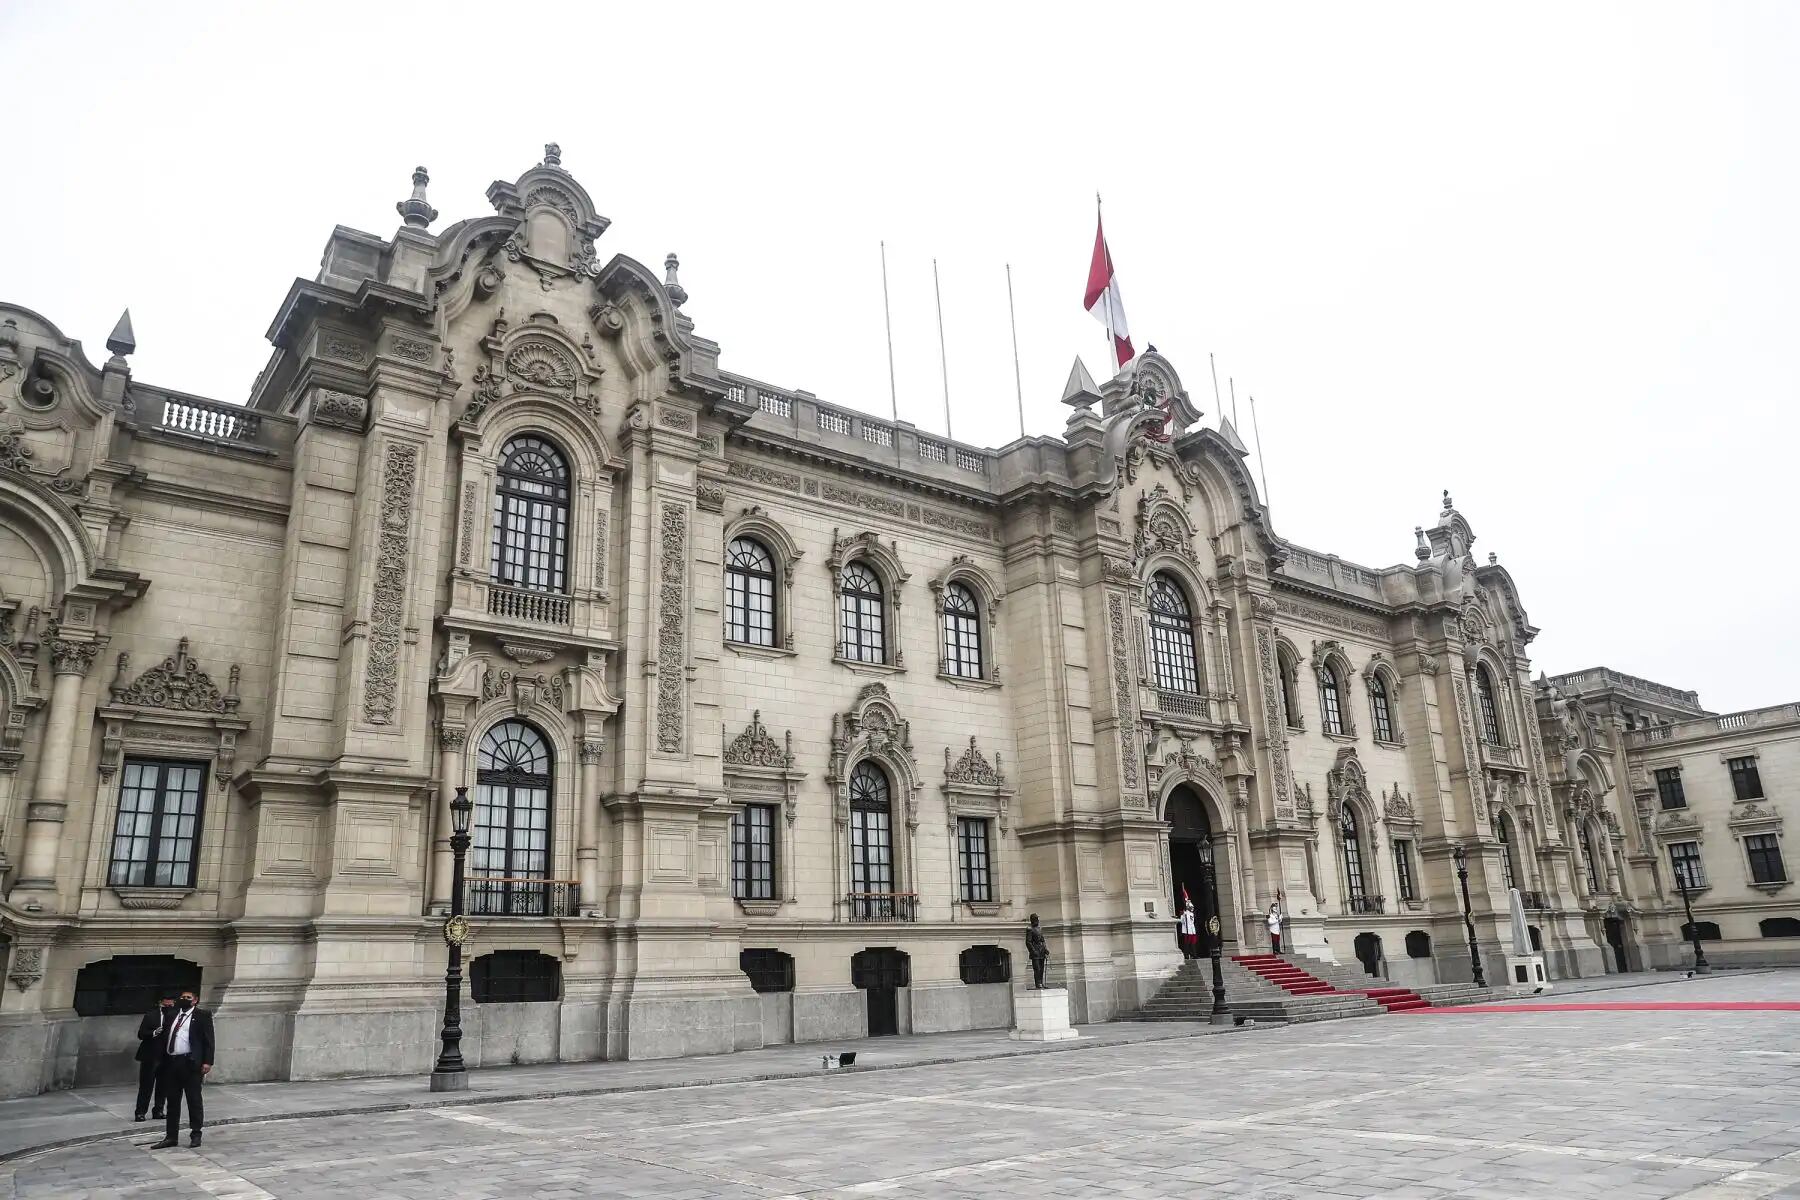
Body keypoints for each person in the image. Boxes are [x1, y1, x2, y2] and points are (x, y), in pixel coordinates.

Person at [152, 988, 214, 1149]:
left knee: (193, 1100)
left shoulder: (202, 1016)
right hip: (172, 1062)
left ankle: (196, 1134)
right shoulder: (172, 1014)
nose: (184, 999)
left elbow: (208, 1040)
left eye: (188, 997)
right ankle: (171, 1136)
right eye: (182, 997)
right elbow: (165, 1036)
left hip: (190, 1063)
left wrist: (207, 1061)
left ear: (195, 1000)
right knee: (172, 1101)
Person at [133, 994, 175, 1123]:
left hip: (166, 1056)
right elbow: (141, 1034)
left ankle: (158, 1110)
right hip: (150, 1055)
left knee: (163, 1085)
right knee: (146, 1085)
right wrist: (153, 1032)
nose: (167, 1007)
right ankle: (140, 1112)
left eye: (170, 1005)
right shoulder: (151, 1015)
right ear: (160, 1003)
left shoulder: (175, 1016)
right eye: (165, 1005)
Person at [1025, 913, 1049, 989]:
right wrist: (1033, 951)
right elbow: (1028, 942)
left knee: (1041, 968)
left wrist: (1045, 949)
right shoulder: (1030, 930)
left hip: (1041, 951)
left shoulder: (1039, 929)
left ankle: (1041, 983)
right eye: (1036, 919)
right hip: (1035, 952)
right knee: (1037, 969)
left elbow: (1043, 940)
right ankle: (1037, 983)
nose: (1038, 921)